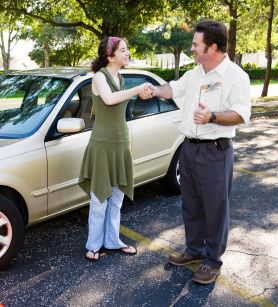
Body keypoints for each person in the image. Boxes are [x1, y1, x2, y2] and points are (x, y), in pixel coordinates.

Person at [141, 20, 251, 284]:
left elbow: (241, 114)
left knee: (215, 208)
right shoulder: (196, 72)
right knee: (190, 205)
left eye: (196, 44)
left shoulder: (236, 76)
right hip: (188, 150)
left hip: (215, 152)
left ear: (213, 47)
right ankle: (194, 251)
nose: (192, 48)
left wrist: (212, 116)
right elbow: (174, 88)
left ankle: (212, 261)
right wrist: (155, 90)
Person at [79, 36, 151, 261]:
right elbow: (109, 100)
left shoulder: (119, 77)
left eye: (127, 49)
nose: (128, 53)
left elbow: (120, 101)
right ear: (110, 55)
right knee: (100, 198)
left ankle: (112, 241)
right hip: (102, 145)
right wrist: (137, 89)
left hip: (121, 144)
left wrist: (142, 92)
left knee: (117, 198)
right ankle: (93, 245)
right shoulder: (99, 77)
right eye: (123, 50)